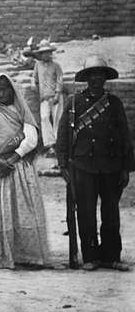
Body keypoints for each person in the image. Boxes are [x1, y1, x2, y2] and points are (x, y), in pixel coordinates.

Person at [56, 55, 133, 271]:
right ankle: (90, 256)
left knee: (111, 213)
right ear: (87, 78)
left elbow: (125, 137)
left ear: (105, 78)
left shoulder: (114, 103)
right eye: (93, 75)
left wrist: (126, 168)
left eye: (100, 75)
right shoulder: (74, 103)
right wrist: (62, 165)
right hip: (83, 166)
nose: (97, 79)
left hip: (111, 166)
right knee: (86, 213)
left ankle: (111, 256)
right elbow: (63, 135)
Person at [0, 74, 49, 269]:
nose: (2, 94)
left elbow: (31, 138)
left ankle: (27, 255)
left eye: (5, 89)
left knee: (22, 211)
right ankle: (0, 253)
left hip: (18, 168)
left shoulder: (20, 109)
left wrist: (13, 158)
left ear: (12, 89)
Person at [30, 40, 63, 153]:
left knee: (57, 119)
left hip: (55, 96)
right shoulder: (37, 65)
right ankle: (49, 144)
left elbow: (59, 80)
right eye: (43, 53)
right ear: (40, 54)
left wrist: (57, 94)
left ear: (50, 53)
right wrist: (33, 84)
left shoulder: (56, 66)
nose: (46, 55)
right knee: (44, 118)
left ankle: (58, 143)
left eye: (48, 52)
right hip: (44, 97)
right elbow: (34, 77)